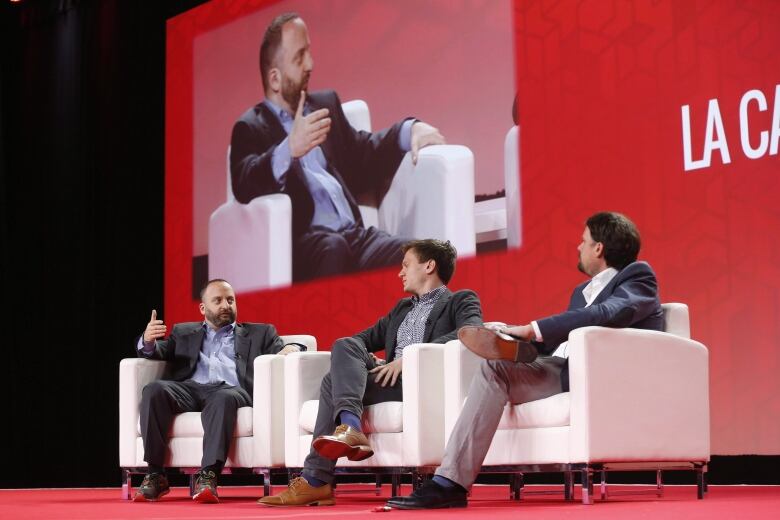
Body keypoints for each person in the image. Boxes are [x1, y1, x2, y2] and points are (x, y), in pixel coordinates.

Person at [386, 212, 664, 509]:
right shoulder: (581, 293)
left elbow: (609, 313)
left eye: (583, 242)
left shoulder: (638, 277)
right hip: (560, 367)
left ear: (599, 248)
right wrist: (515, 338)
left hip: (595, 375)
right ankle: (449, 482)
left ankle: (447, 484)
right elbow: (562, 343)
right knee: (495, 366)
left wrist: (533, 329)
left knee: (500, 364)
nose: (577, 248)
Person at [258, 239, 483, 507]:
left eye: (406, 265)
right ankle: (348, 431)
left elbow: (472, 333)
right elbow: (360, 340)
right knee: (345, 346)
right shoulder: (402, 308)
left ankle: (317, 480)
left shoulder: (461, 299)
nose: (400, 273)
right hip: (387, 377)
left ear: (429, 266)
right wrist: (366, 363)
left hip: (419, 380)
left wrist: (409, 358)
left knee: (331, 383)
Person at [229, 12, 446, 282]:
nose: (310, 64)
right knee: (334, 248)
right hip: (308, 246)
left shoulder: (325, 105)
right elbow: (244, 180)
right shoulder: (250, 127)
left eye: (309, 53)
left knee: (421, 262)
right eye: (299, 58)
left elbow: (362, 152)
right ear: (274, 79)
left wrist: (408, 130)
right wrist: (288, 149)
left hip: (356, 238)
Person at [132, 279, 302, 503]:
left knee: (223, 397)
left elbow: (291, 349)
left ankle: (209, 475)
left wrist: (291, 349)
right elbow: (157, 351)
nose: (226, 305)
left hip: (232, 390)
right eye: (218, 300)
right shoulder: (183, 332)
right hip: (189, 390)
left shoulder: (260, 333)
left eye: (230, 300)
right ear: (203, 308)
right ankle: (155, 474)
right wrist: (147, 340)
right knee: (154, 389)